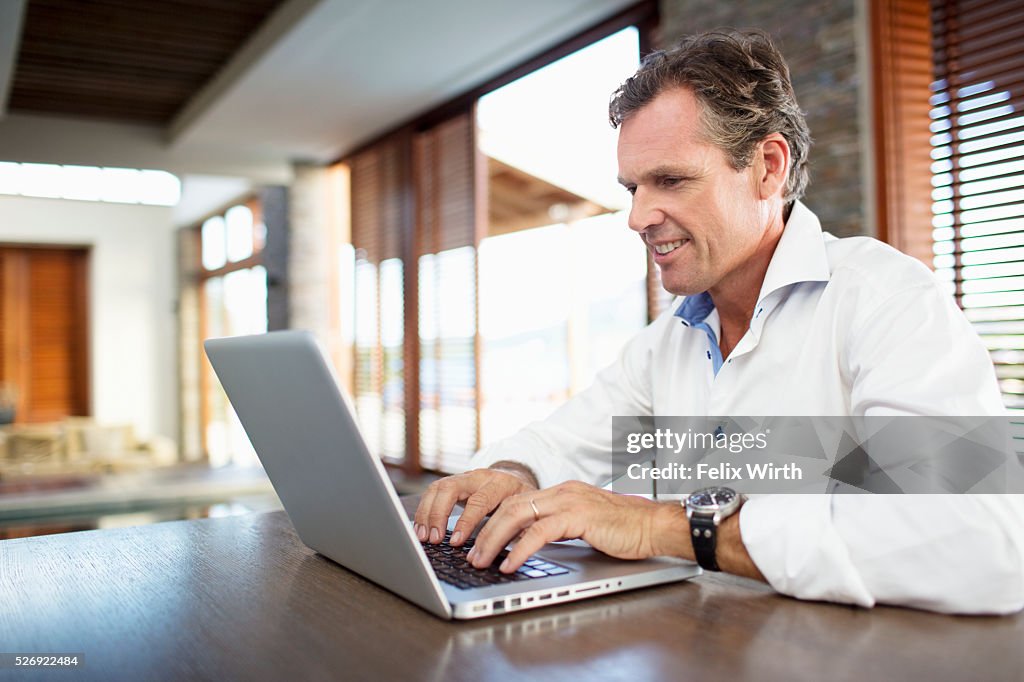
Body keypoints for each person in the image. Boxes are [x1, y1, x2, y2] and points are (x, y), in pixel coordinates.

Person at [413, 29, 1024, 614]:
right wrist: (505, 475)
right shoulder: (668, 341)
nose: (637, 216)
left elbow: (973, 538)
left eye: (671, 180)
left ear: (767, 168)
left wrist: (662, 526)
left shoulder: (885, 297)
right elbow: (559, 442)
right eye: (632, 188)